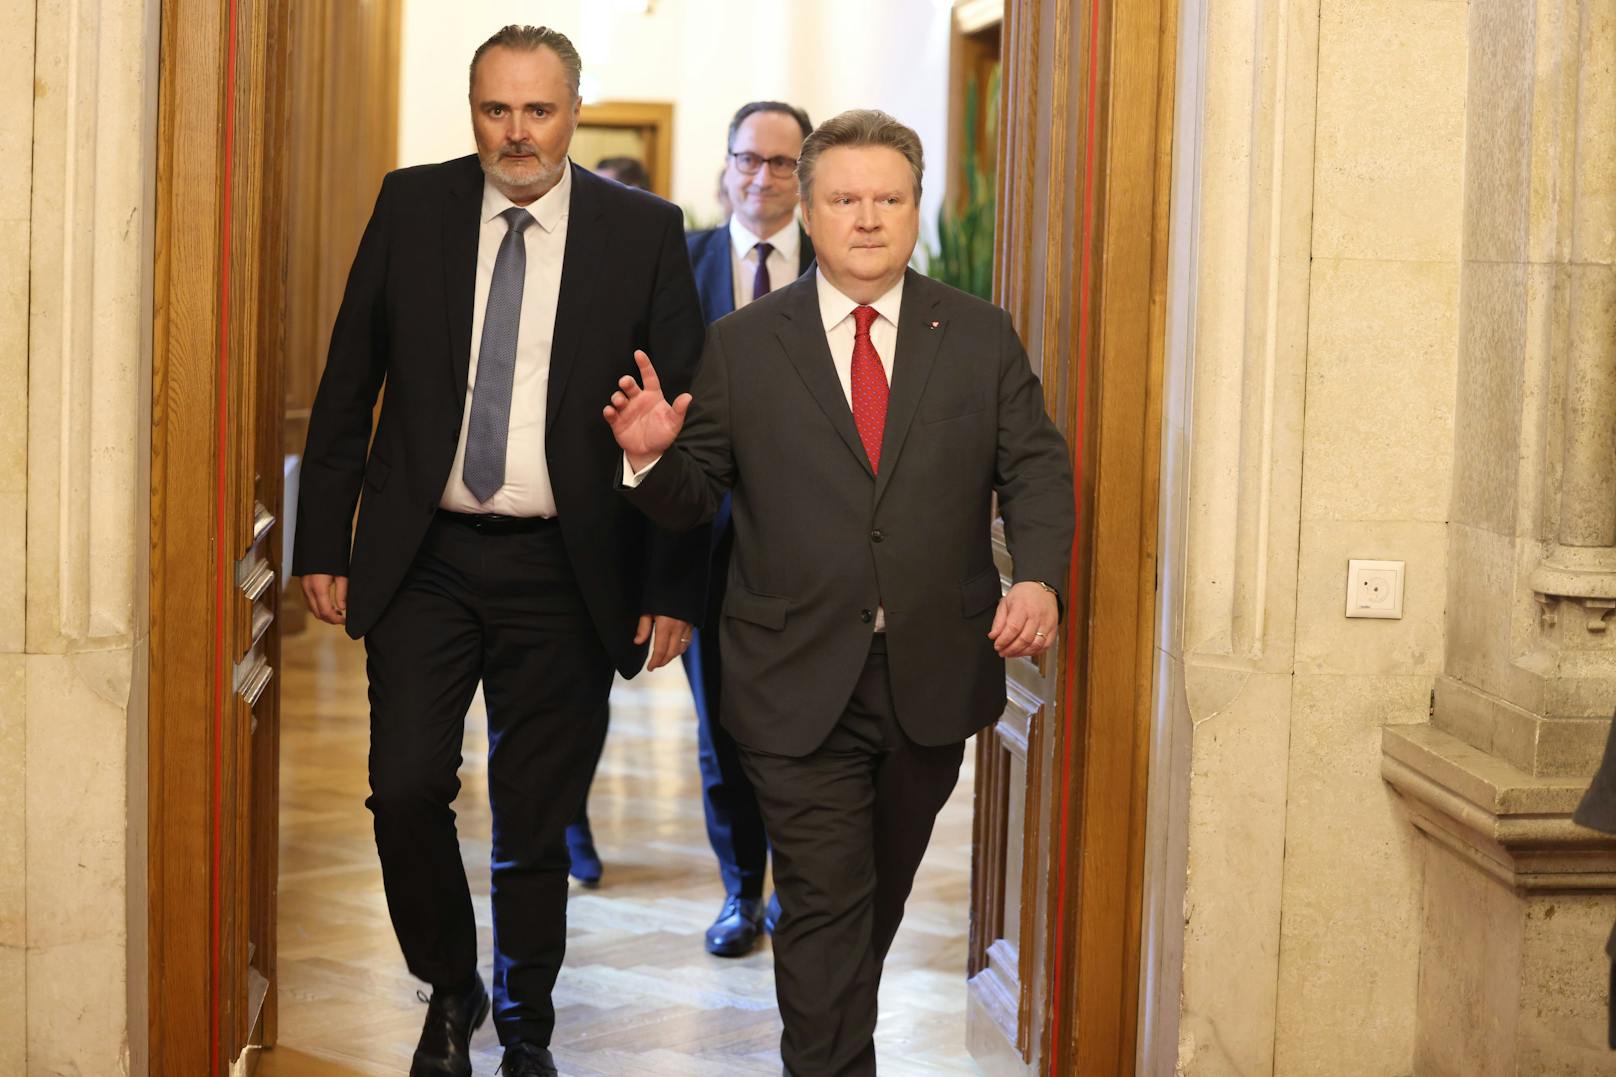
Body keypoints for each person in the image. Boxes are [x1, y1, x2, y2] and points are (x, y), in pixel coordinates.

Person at [603, 109, 1075, 1075]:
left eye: (889, 198)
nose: (869, 218)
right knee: (822, 901)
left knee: (874, 899)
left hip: (931, 675)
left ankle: (830, 1042)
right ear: (807, 215)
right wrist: (651, 459)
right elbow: (698, 498)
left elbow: (1034, 467)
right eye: (846, 199)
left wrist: (1036, 575)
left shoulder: (978, 335)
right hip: (789, 672)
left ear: (914, 209)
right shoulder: (743, 342)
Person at [292, 25, 704, 1077]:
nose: (516, 133)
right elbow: (348, 384)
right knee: (405, 786)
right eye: (495, 109)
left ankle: (526, 1024)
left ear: (572, 110)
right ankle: (449, 985)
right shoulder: (410, 205)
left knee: (536, 816)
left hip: (569, 570)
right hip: (424, 555)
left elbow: (680, 426)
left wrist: (670, 586)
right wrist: (320, 541)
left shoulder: (644, 232)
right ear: (472, 109)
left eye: (538, 109)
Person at [681, 100, 817, 958]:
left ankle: (806, 890)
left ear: (805, 175)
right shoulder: (678, 264)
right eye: (749, 159)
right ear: (725, 166)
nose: (762, 177)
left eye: (782, 162)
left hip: (811, 549)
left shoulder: (838, 274)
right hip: (705, 550)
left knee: (807, 727)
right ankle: (743, 890)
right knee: (722, 728)